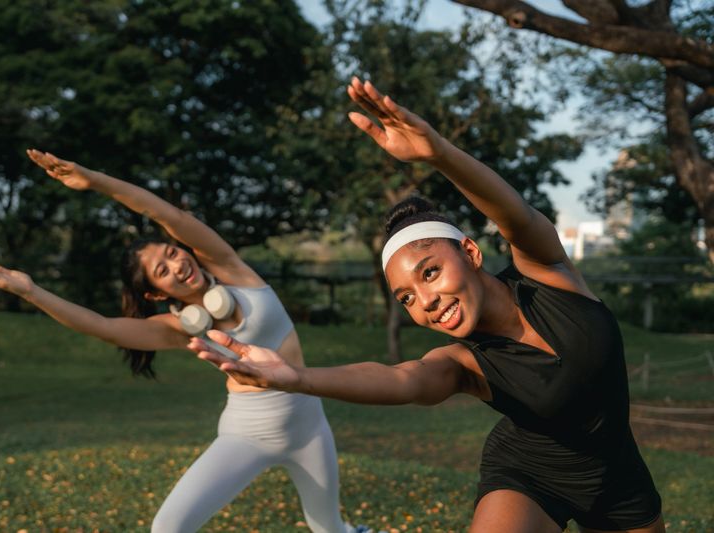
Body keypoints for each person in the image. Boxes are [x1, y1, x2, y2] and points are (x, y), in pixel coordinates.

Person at [189, 77, 665, 533]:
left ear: (472, 253)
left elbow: (512, 212)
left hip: (619, 478)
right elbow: (403, 379)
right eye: (407, 298)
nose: (427, 302)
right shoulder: (464, 362)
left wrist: (438, 154)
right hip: (528, 476)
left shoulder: (548, 274)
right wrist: (299, 379)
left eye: (430, 272)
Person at [0, 150, 360, 533]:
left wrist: (94, 180)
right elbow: (100, 325)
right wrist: (31, 291)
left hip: (309, 428)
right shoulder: (178, 326)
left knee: (328, 528)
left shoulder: (231, 269)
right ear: (155, 293)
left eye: (172, 252)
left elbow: (164, 213)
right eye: (163, 270)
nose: (178, 265)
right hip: (247, 433)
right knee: (167, 526)